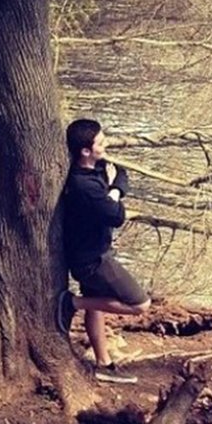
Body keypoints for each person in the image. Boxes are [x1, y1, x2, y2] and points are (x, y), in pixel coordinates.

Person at [57, 118, 151, 384]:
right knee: (141, 304)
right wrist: (114, 192)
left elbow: (121, 174)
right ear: (85, 151)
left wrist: (115, 188)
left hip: (93, 252)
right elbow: (115, 216)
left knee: (96, 309)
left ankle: (103, 363)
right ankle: (70, 303)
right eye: (100, 141)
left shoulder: (98, 168)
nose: (106, 143)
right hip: (93, 260)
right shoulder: (82, 186)